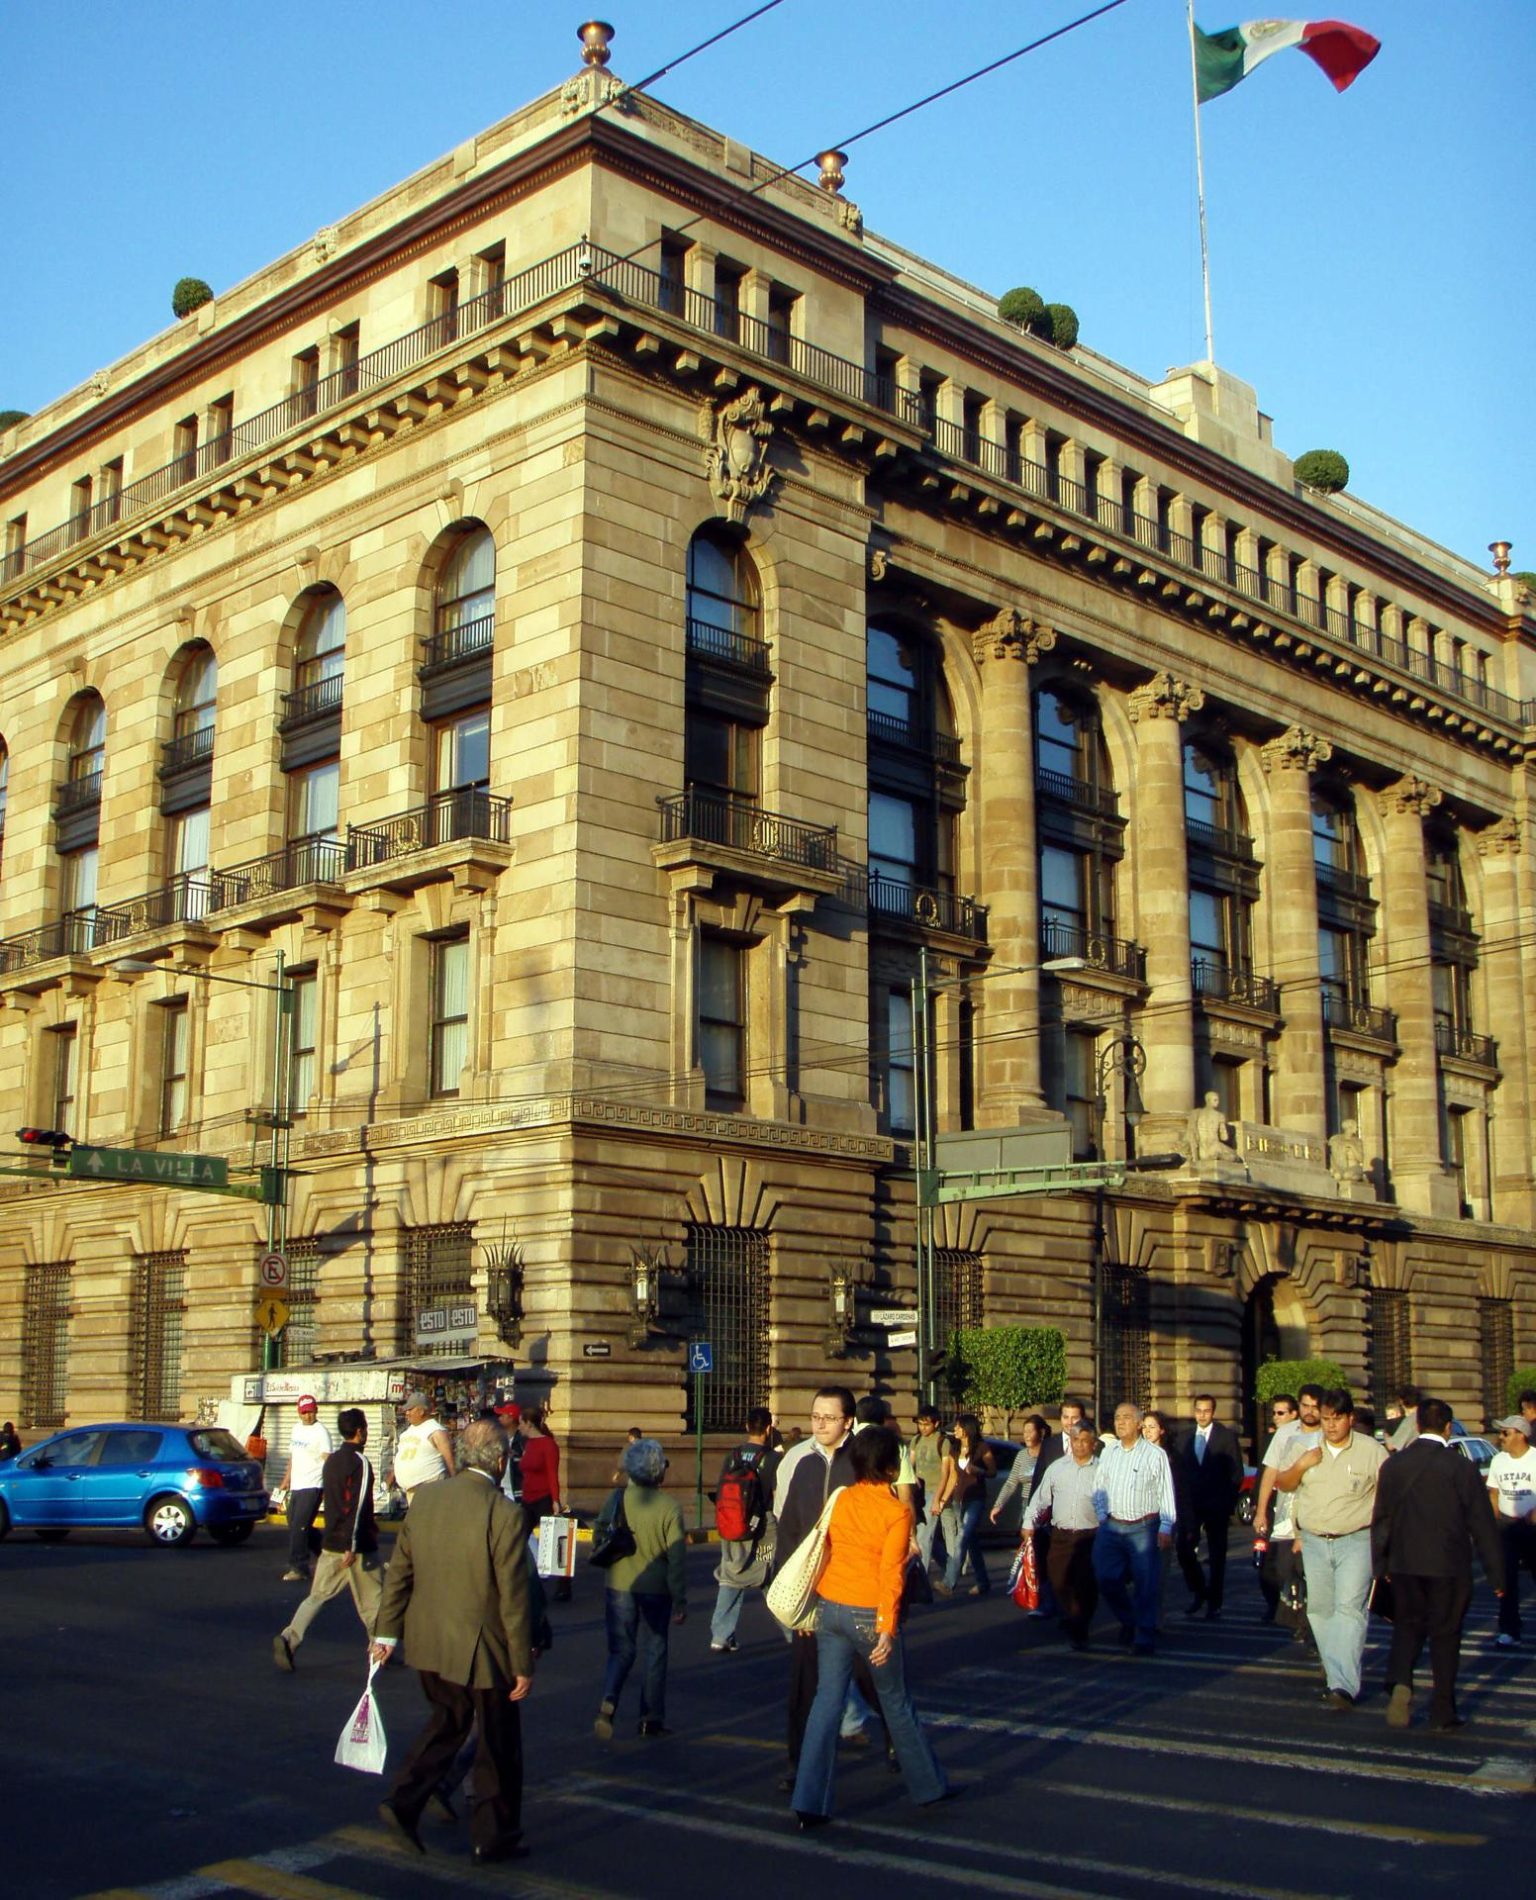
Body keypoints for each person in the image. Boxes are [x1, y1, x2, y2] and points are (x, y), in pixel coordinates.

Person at [370, 1420, 534, 1866]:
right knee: (497, 1746)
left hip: (429, 1641)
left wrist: (386, 1633)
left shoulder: (425, 1501)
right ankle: (493, 1836)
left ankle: (403, 1801)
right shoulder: (504, 1513)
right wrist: (522, 1661)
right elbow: (514, 1596)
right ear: (500, 1462)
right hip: (484, 1649)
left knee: (448, 1722)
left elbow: (399, 1571)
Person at [789, 1425, 948, 1827]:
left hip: (831, 1606)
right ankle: (928, 1787)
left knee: (826, 1701)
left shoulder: (841, 1499)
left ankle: (809, 1800)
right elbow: (890, 1575)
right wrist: (885, 1628)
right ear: (893, 1469)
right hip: (867, 1611)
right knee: (895, 1700)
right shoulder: (895, 1511)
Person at [773, 1385, 886, 1790]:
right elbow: (788, 1533)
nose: (819, 1424)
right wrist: (794, 1599)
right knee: (804, 1685)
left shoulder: (861, 1467)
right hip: (813, 1596)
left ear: (849, 1421)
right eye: (815, 1417)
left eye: (828, 1418)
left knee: (874, 1677)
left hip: (854, 1592)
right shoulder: (802, 1464)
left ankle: (899, 1743)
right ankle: (798, 1764)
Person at [1373, 1397, 1505, 1730]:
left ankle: (1401, 1681)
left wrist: (1379, 1566)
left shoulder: (1393, 1466)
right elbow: (1482, 1523)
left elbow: (1381, 1521)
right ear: (1448, 1427)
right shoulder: (1460, 1468)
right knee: (1445, 1635)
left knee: (1407, 1626)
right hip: (1448, 1564)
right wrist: (1497, 1574)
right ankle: (1442, 1710)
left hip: (1403, 1563)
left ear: (1417, 1426)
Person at [1276, 1388, 1385, 1710]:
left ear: (1350, 1418)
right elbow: (1284, 1483)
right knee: (1320, 1611)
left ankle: (1342, 1686)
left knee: (1349, 1611)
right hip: (1314, 1541)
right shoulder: (1306, 1447)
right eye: (1326, 1419)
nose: (1331, 1426)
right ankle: (1336, 1669)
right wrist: (1302, 1465)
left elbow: (1389, 1491)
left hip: (1356, 1539)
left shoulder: (1370, 1451)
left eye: (1337, 1419)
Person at [593, 1437, 687, 1739]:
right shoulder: (670, 1507)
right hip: (657, 1588)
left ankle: (610, 1696)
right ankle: (650, 1717)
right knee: (655, 1651)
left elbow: (599, 1534)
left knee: (621, 1649)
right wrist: (680, 1599)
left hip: (619, 1582)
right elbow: (676, 1558)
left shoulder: (616, 1499)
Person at [274, 1408, 381, 1669]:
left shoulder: (331, 1461)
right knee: (374, 1601)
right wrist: (352, 1545)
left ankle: (290, 1638)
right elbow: (356, 1507)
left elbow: (333, 1503)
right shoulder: (360, 1463)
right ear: (360, 1431)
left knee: (317, 1596)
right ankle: (379, 1649)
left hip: (331, 1542)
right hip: (357, 1547)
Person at [1092, 1401, 1177, 1655]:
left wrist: (1166, 1525)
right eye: (1117, 1417)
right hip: (1112, 1525)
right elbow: (1099, 1486)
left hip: (1144, 1526)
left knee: (1146, 1583)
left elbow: (1165, 1491)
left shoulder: (1155, 1454)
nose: (1120, 1422)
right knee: (1105, 1577)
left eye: (1127, 1417)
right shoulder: (1109, 1452)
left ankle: (1144, 1634)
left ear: (1139, 1423)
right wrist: (1101, 1516)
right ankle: (1128, 1619)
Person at [1022, 1416, 1101, 1649]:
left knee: (1086, 1584)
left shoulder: (1102, 1470)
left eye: (1085, 1441)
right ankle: (1071, 1614)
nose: (1079, 1445)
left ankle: (1080, 1626)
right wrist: (1029, 1523)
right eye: (1076, 1440)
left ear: (1093, 1444)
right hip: (1061, 1536)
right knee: (1058, 1581)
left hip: (1091, 1536)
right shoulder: (1058, 1468)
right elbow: (1040, 1499)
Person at [709, 1406, 781, 1654]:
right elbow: (777, 1495)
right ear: (769, 1429)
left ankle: (720, 1635)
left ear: (746, 1427)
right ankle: (793, 1632)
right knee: (771, 1576)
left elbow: (720, 1490)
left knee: (731, 1574)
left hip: (732, 1522)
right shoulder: (773, 1459)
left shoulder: (732, 1455)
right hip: (763, 1524)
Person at [1176, 1394, 1245, 1620]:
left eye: (1206, 1411)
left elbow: (1236, 1473)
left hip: (1216, 1505)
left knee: (1217, 1556)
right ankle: (1199, 1591)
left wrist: (1227, 1502)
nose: (1202, 1415)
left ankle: (1214, 1602)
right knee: (1185, 1550)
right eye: (1199, 1410)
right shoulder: (1184, 1437)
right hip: (1191, 1505)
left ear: (1213, 1412)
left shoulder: (1226, 1437)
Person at [1485, 1414, 1536, 1647]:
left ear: (1521, 1434)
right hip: (1506, 1527)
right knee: (1506, 1580)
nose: (1501, 1437)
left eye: (1506, 1433)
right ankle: (1509, 1628)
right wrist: (1496, 1518)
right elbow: (1493, 1493)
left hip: (1532, 1527)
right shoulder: (1499, 1461)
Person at [933, 1414, 995, 1598]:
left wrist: (979, 1471)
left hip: (976, 1498)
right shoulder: (954, 1448)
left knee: (963, 1537)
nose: (956, 1430)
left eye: (959, 1427)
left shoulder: (982, 1447)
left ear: (967, 1429)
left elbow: (992, 1471)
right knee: (972, 1543)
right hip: (960, 1499)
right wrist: (943, 1500)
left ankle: (948, 1583)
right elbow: (952, 1477)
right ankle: (983, 1582)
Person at [1140, 1412, 1187, 1628]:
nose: (1147, 1431)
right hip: (1141, 1519)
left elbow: (1178, 1491)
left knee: (1159, 1572)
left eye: (1152, 1427)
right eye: (1145, 1427)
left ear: (1162, 1430)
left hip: (1163, 1519)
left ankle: (1155, 1616)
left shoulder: (1171, 1457)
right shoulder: (1137, 1454)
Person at [519, 1404, 570, 1601]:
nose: (519, 1427)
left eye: (522, 1423)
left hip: (543, 1498)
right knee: (517, 1538)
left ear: (529, 1424)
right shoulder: (528, 1444)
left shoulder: (548, 1445)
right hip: (527, 1498)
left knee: (555, 1542)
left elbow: (552, 1473)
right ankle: (521, 1578)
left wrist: (555, 1500)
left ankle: (563, 1584)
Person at [279, 1395, 332, 1582]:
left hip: (313, 1484)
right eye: (304, 1412)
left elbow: (327, 1459)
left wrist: (329, 1486)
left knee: (299, 1527)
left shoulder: (321, 1432)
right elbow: (294, 1456)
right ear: (299, 1412)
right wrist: (286, 1480)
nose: (308, 1415)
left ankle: (299, 1567)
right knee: (295, 1522)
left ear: (316, 1410)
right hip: (297, 1484)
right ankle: (329, 1556)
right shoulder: (296, 1429)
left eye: (310, 1411)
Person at [908, 1404, 954, 1574]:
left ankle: (920, 1575)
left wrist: (937, 1499)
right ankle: (951, 1569)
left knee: (924, 1536)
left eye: (926, 1424)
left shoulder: (943, 1442)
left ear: (936, 1424)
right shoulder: (916, 1440)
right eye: (920, 1423)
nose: (922, 1427)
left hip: (933, 1491)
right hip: (918, 1493)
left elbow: (945, 1473)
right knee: (928, 1537)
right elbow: (910, 1464)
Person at [393, 1391, 454, 1504]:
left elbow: (450, 1460)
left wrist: (455, 1485)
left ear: (421, 1411)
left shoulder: (436, 1431)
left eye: (410, 1409)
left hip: (430, 1490)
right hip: (411, 1492)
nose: (406, 1413)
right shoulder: (407, 1432)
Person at [992, 1414, 1048, 1525]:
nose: (1026, 1436)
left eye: (1030, 1432)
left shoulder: (1049, 1453)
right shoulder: (1022, 1455)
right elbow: (1011, 1483)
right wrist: (998, 1505)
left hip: (1046, 1506)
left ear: (1041, 1433)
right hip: (1027, 1504)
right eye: (1024, 1432)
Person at [493, 1402, 525, 1503]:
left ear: (511, 1418)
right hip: (500, 1491)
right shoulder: (498, 1439)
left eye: (502, 1415)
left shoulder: (522, 1441)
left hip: (517, 1493)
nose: (499, 1418)